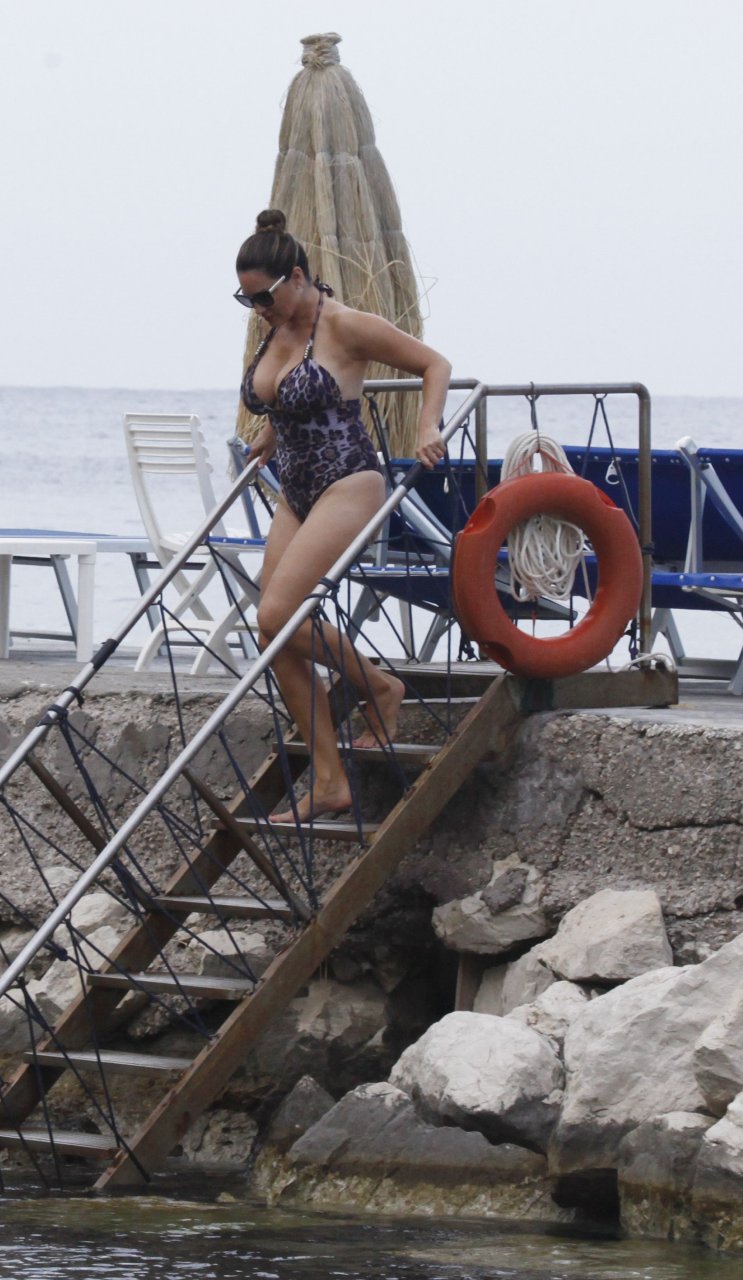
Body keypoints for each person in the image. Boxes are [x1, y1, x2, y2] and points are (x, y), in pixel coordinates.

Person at [235, 208, 452, 824]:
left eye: (265, 297)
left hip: (348, 480)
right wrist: (272, 434)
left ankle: (380, 686)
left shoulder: (347, 325)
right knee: (273, 635)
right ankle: (329, 781)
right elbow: (284, 395)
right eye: (247, 300)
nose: (258, 309)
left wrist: (427, 426)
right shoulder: (276, 330)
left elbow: (434, 364)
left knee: (279, 615)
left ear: (298, 277)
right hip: (295, 487)